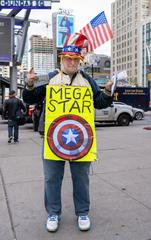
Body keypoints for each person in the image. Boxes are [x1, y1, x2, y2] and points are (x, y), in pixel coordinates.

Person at [22, 33, 113, 232]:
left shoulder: (88, 80)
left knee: (82, 178)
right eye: (68, 59)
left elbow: (99, 102)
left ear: (80, 61)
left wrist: (107, 91)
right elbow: (29, 99)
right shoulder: (50, 78)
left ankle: (83, 213)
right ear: (62, 59)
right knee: (52, 178)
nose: (71, 62)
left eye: (75, 59)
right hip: (53, 139)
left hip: (81, 139)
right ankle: (53, 213)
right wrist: (29, 84)